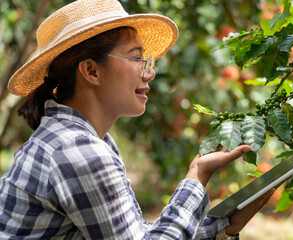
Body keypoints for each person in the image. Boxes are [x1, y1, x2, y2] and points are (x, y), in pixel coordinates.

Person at [0, 0, 275, 239]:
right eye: (136, 58)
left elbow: (132, 232)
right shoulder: (79, 151)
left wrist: (223, 226)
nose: (149, 73)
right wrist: (197, 176)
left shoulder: (84, 139)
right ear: (91, 71)